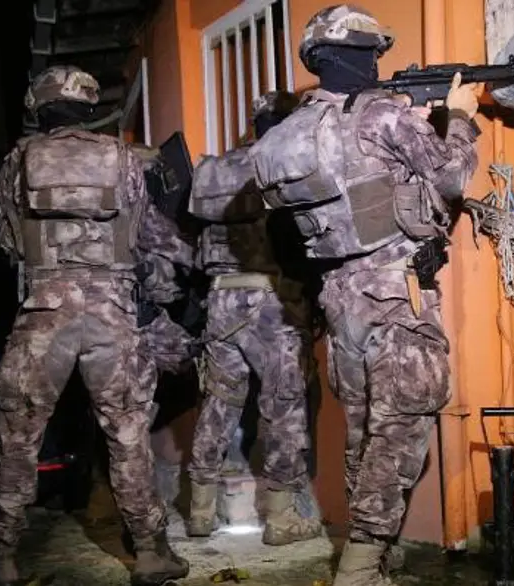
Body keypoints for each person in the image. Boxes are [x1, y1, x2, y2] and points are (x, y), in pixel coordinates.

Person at [248, 5, 481, 584]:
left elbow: (343, 186)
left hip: (339, 296)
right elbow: (451, 178)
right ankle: (359, 567)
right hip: (396, 292)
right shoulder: (382, 115)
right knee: (401, 427)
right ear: (363, 55)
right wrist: (460, 117)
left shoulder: (286, 135)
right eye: (373, 55)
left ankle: (379, 553)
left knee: (362, 431)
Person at [0, 65, 195, 586]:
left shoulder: (19, 160)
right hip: (112, 314)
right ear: (90, 107)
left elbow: (6, 239)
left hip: (44, 313)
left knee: (18, 437)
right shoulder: (123, 159)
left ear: (39, 106)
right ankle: (152, 553)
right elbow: (145, 233)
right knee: (128, 434)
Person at [185, 90, 322, 546]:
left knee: (219, 401)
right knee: (284, 405)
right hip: (272, 299)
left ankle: (200, 511)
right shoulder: (286, 158)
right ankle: (280, 518)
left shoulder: (217, 170)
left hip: (221, 297)